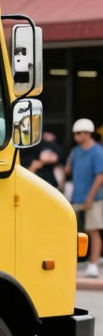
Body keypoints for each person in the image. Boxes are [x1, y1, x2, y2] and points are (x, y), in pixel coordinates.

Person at [65, 118, 103, 277]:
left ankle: (93, 264)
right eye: (75, 133)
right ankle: (73, 262)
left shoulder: (97, 151)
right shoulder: (76, 151)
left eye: (79, 133)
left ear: (88, 133)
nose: (76, 136)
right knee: (72, 230)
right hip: (76, 198)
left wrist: (89, 198)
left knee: (93, 230)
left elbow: (100, 177)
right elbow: (68, 170)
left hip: (93, 199)